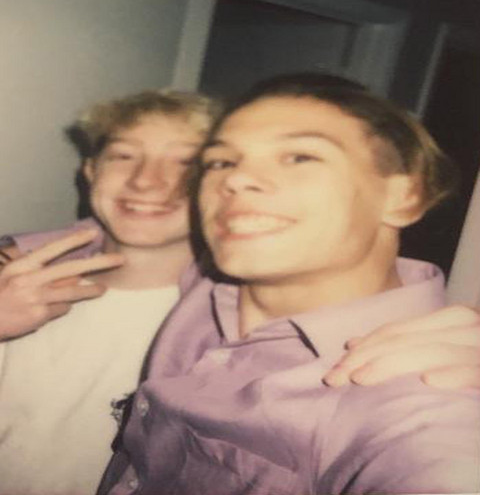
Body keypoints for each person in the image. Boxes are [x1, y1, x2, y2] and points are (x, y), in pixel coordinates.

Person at [0, 87, 480, 495]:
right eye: (123, 156)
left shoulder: (239, 310)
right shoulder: (19, 283)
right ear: (90, 172)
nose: (148, 182)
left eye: (188, 164)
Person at [99, 76, 480, 495]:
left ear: (404, 197)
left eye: (299, 157)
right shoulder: (206, 279)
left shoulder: (423, 404)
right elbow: (121, 227)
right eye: (221, 162)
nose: (237, 179)